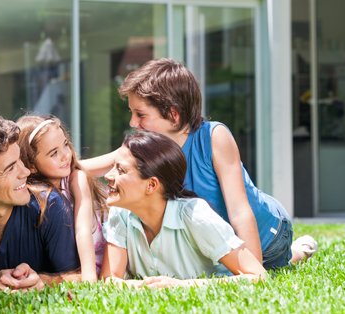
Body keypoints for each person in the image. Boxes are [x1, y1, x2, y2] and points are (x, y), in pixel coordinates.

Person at [81, 58, 317, 269]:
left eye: (141, 115)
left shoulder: (214, 137)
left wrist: (252, 269)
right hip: (219, 240)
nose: (133, 122)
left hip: (269, 234)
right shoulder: (148, 148)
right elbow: (92, 166)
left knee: (274, 263)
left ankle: (298, 251)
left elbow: (240, 211)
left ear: (173, 115)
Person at [0, 115, 107, 282]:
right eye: (10, 168)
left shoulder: (51, 202)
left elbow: (79, 277)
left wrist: (42, 282)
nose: (26, 172)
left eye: (20, 160)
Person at [101, 131, 267, 288]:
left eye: (120, 170)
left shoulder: (196, 216)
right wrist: (140, 286)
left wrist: (181, 286)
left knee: (283, 256)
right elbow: (110, 279)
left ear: (151, 185)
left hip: (272, 238)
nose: (108, 175)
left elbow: (258, 276)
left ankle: (294, 251)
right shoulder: (120, 212)